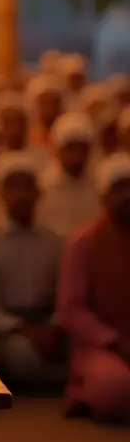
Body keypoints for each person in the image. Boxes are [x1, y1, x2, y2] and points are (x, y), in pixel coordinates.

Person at [0, 153, 66, 388]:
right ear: (1, 193)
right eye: (13, 187)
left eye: (28, 186)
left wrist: (54, 327)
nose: (21, 195)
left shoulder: (55, 240)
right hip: (13, 329)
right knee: (21, 359)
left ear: (39, 192)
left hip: (50, 324)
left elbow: (65, 295)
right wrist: (25, 330)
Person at [56, 152, 130, 422]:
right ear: (103, 197)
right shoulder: (83, 242)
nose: (127, 196)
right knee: (116, 388)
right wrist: (114, 342)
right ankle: (84, 391)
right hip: (101, 347)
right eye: (118, 188)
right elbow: (71, 311)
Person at [38, 112, 99, 238]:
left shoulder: (99, 187)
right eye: (70, 148)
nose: (76, 156)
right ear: (57, 149)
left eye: (81, 148)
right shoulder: (43, 187)